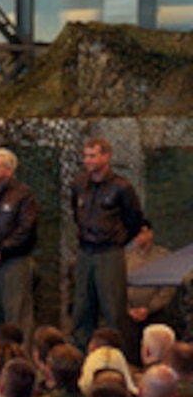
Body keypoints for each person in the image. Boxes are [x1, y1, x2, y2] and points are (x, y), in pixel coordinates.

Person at [71, 137, 145, 352]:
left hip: (109, 252)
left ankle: (115, 360)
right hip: (85, 251)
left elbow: (135, 220)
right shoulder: (78, 184)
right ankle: (82, 358)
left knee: (113, 310)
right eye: (85, 155)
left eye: (92, 155)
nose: (87, 160)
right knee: (82, 310)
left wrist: (118, 240)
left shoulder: (121, 187)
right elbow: (76, 214)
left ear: (106, 156)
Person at [0, 147, 38, 341]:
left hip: (14, 262)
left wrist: (1, 250)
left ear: (9, 170)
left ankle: (20, 363)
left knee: (16, 317)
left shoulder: (23, 195)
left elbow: (25, 229)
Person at [125, 220, 176, 335]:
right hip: (130, 316)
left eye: (142, 232)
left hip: (156, 316)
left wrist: (149, 308)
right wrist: (128, 309)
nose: (139, 236)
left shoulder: (163, 256)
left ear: (150, 233)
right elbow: (118, 285)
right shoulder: (125, 258)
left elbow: (168, 288)